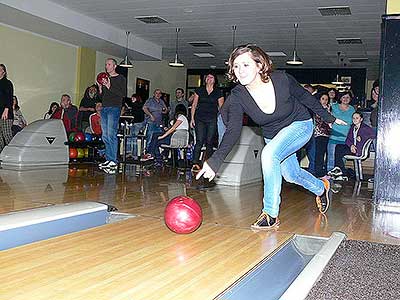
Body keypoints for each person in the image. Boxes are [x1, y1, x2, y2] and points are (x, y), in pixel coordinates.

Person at [196, 45, 346, 230]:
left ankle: (270, 214)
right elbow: (233, 130)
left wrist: (328, 118)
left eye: (245, 64)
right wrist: (215, 161)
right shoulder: (237, 96)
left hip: (299, 125)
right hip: (273, 136)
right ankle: (321, 187)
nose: (240, 70)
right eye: (236, 66)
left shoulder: (281, 79)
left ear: (259, 65)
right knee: (291, 175)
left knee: (268, 155)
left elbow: (305, 98)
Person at [97, 58, 127, 171]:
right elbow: (102, 97)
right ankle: (108, 159)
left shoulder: (120, 78)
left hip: (114, 108)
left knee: (111, 134)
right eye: (106, 64)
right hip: (104, 108)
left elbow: (122, 94)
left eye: (109, 64)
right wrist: (100, 88)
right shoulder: (105, 79)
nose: (107, 66)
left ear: (115, 66)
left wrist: (109, 86)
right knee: (105, 135)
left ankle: (113, 160)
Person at [190, 73, 224, 171]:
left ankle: (208, 164)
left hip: (212, 118)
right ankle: (195, 163)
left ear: (214, 80)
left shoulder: (218, 92)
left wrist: (223, 120)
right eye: (207, 77)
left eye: (211, 77)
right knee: (199, 141)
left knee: (209, 141)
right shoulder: (199, 90)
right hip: (199, 118)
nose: (209, 79)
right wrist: (192, 118)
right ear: (205, 80)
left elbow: (221, 108)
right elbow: (194, 105)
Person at [330, 112, 375, 179]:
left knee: (340, 150)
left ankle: (343, 171)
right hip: (353, 148)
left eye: (357, 118)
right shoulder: (352, 127)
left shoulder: (365, 128)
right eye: (353, 118)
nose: (355, 120)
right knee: (339, 147)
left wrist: (363, 137)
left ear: (361, 119)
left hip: (359, 150)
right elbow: (348, 139)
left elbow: (373, 135)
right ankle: (340, 170)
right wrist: (351, 145)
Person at [326, 91, 355, 172]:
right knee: (331, 157)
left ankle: (340, 174)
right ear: (340, 98)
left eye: (347, 97)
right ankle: (329, 174)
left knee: (342, 159)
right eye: (343, 97)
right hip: (333, 136)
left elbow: (354, 122)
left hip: (345, 139)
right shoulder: (333, 106)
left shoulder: (352, 109)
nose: (345, 99)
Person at [142, 88, 168, 160]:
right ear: (154, 94)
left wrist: (164, 111)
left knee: (158, 138)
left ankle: (155, 154)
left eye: (159, 93)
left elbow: (166, 110)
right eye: (156, 93)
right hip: (151, 122)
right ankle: (148, 153)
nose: (158, 94)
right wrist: (150, 115)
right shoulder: (150, 100)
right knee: (150, 137)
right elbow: (144, 108)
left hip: (159, 123)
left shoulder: (161, 101)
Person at [122, 94, 145, 159]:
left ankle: (133, 154)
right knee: (130, 137)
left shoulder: (138, 105)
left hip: (138, 123)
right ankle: (131, 153)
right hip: (135, 123)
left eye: (133, 98)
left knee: (133, 137)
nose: (132, 99)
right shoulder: (136, 105)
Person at [314, 93, 331, 177]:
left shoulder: (329, 108)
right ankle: (318, 172)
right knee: (319, 153)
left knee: (326, 153)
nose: (325, 101)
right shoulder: (317, 109)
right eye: (323, 99)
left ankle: (323, 171)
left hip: (328, 134)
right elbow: (320, 121)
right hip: (319, 134)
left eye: (326, 99)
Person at [0, 63, 14, 153]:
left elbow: (9, 97)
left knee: (7, 135)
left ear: (4, 72)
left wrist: (6, 109)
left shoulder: (7, 83)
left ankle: (14, 154)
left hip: (6, 114)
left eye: (0, 69)